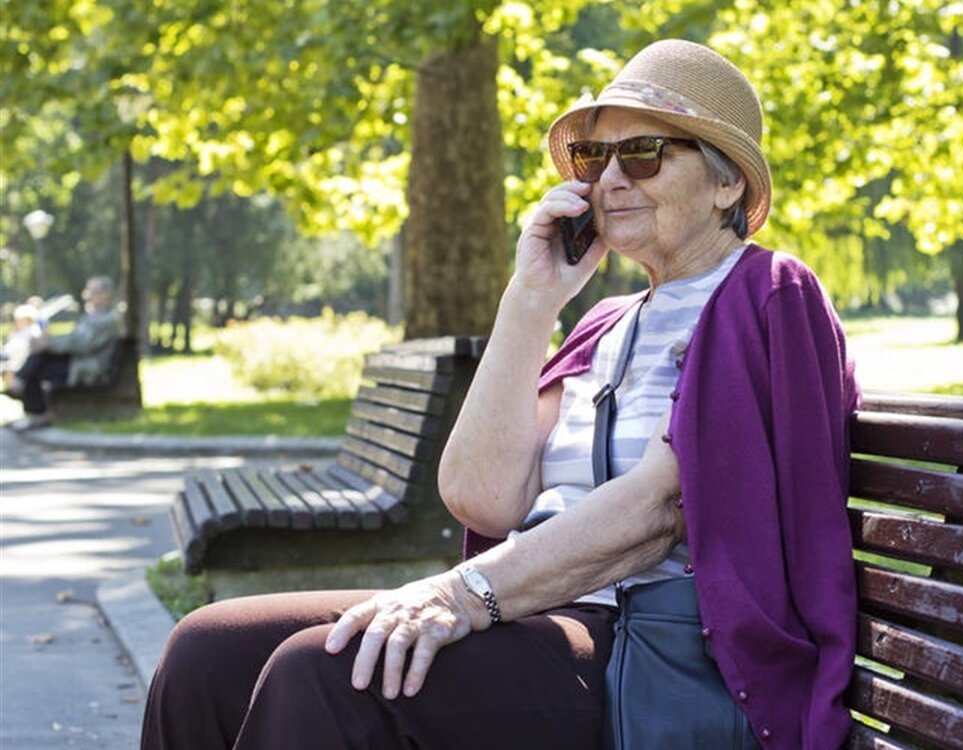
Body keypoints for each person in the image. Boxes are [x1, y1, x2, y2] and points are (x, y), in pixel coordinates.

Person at [141, 39, 859, 750]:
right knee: (207, 653)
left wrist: (461, 595)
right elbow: (482, 497)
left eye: (642, 152)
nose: (610, 178)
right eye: (592, 157)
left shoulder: (767, 296)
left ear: (726, 183)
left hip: (666, 655)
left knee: (323, 675)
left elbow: (660, 506)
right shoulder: (607, 323)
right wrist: (533, 297)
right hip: (550, 612)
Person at [5, 276, 121, 431]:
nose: (88, 296)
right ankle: (26, 394)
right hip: (78, 360)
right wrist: (47, 342)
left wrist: (48, 343)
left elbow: (81, 345)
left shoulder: (108, 319)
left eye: (93, 292)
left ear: (106, 294)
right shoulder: (92, 317)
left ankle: (27, 394)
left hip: (88, 365)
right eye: (88, 291)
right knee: (40, 357)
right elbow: (74, 339)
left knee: (40, 362)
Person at [1, 302, 46, 388]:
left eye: (19, 319)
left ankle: (13, 386)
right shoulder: (17, 332)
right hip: (10, 357)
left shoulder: (33, 331)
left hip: (19, 361)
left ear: (28, 320)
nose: (16, 322)